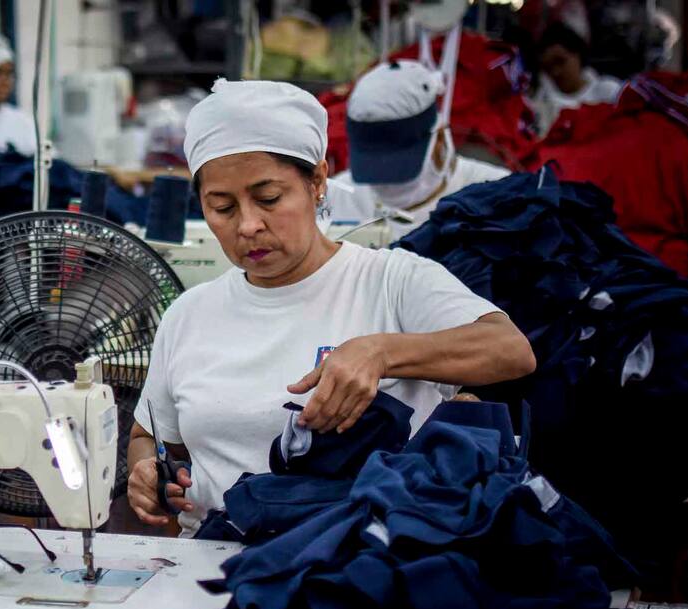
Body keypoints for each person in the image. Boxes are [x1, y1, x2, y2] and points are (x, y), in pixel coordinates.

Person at [126, 79, 536, 535]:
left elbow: (510, 350)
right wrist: (146, 473)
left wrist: (381, 352)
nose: (248, 225)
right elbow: (151, 438)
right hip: (209, 558)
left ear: (318, 182)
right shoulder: (189, 314)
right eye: (222, 207)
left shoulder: (392, 281)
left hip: (357, 557)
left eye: (268, 199)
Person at [325, 60, 509, 241]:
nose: (385, 184)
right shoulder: (334, 199)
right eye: (373, 170)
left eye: (397, 168)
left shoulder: (500, 197)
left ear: (439, 139)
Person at [528, 22, 623, 136]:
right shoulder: (542, 107)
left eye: (560, 61)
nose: (556, 72)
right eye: (548, 68)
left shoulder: (609, 91)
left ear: (577, 54)